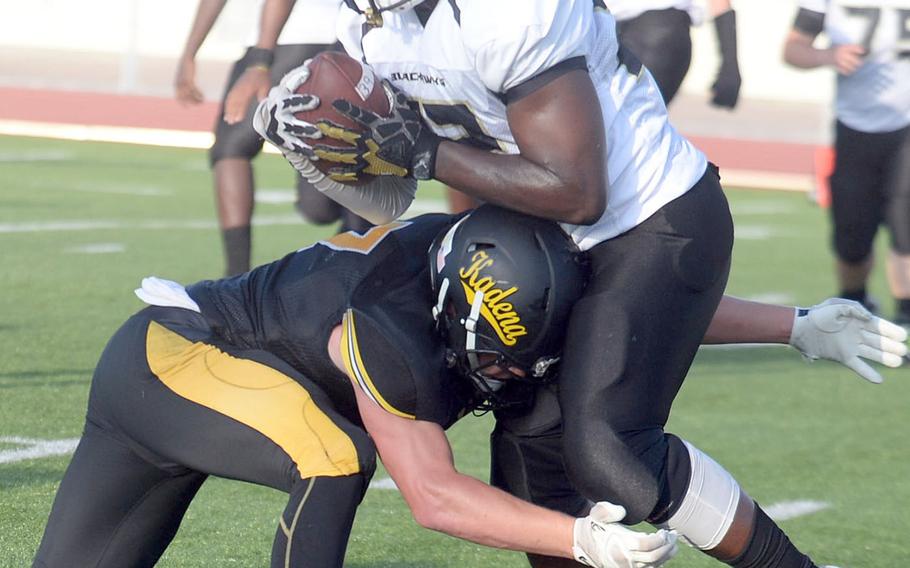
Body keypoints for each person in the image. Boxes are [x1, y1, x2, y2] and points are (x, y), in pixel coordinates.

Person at [252, 1, 907, 565]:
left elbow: (578, 191)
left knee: (609, 450)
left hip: (651, 216)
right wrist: (318, 136)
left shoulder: (507, 14)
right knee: (534, 480)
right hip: (537, 231)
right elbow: (383, 188)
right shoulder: (369, 19)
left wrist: (420, 153)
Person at [32, 205, 681, 568]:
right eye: (509, 354)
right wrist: (581, 539)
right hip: (176, 359)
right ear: (458, 312)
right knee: (335, 457)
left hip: (169, 368)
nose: (519, 371)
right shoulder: (391, 328)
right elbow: (434, 498)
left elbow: (627, 310)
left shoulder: (472, 269)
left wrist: (784, 326)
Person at [174, 0, 370, 276]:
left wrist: (259, 60)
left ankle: (236, 277)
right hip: (342, 41)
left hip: (297, 41)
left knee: (232, 148)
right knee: (319, 203)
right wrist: (189, 52)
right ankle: (238, 275)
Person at [782, 1, 910, 323]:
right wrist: (828, 55)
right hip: (853, 125)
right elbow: (793, 49)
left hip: (906, 123)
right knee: (851, 236)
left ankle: (907, 315)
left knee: (905, 222)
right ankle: (855, 304)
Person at [608, 0, 741, 107]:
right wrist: (730, 61)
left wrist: (730, 63)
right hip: (643, 30)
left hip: (655, 31)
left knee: (628, 124)